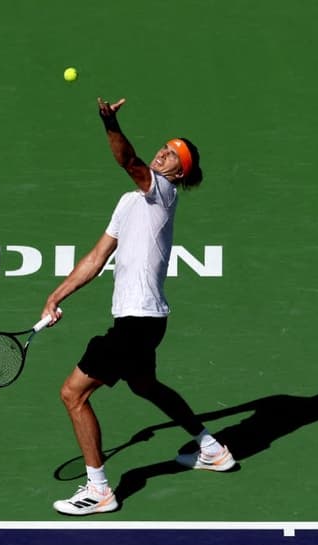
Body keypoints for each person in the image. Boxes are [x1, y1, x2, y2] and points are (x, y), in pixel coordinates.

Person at [42, 97, 235, 516]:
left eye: (173, 155)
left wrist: (110, 123)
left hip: (137, 321)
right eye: (164, 147)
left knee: (73, 395)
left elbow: (128, 159)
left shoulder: (162, 192)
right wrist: (56, 296)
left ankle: (99, 490)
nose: (163, 152)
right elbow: (97, 258)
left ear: (178, 173)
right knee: (144, 385)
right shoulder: (130, 203)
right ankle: (211, 448)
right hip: (145, 321)